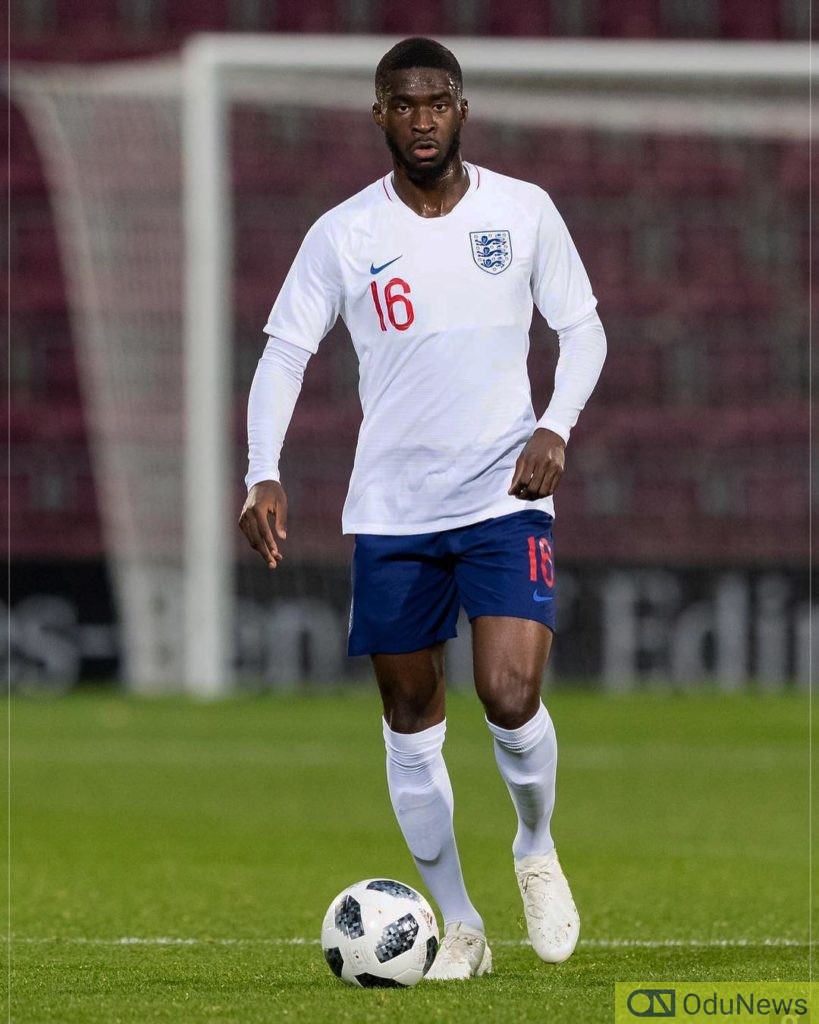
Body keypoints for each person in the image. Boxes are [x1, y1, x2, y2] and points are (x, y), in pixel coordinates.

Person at [240, 36, 606, 981]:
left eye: (437, 101)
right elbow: (286, 351)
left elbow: (582, 328)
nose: (423, 118)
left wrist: (555, 426)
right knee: (410, 716)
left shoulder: (522, 212)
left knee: (510, 695)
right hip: (393, 511)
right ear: (380, 116)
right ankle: (459, 922)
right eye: (404, 104)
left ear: (462, 109)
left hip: (503, 496)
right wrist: (262, 471)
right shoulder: (344, 233)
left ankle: (534, 846)